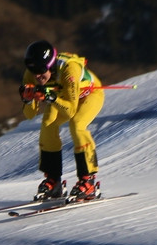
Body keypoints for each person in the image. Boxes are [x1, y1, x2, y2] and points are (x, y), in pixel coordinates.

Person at [19, 40, 105, 201]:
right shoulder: (31, 74)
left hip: (89, 95)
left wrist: (50, 97)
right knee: (47, 126)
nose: (37, 76)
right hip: (62, 97)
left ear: (50, 65)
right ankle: (53, 180)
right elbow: (30, 115)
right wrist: (28, 100)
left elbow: (71, 111)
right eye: (32, 70)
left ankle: (88, 181)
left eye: (40, 70)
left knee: (77, 125)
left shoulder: (69, 70)